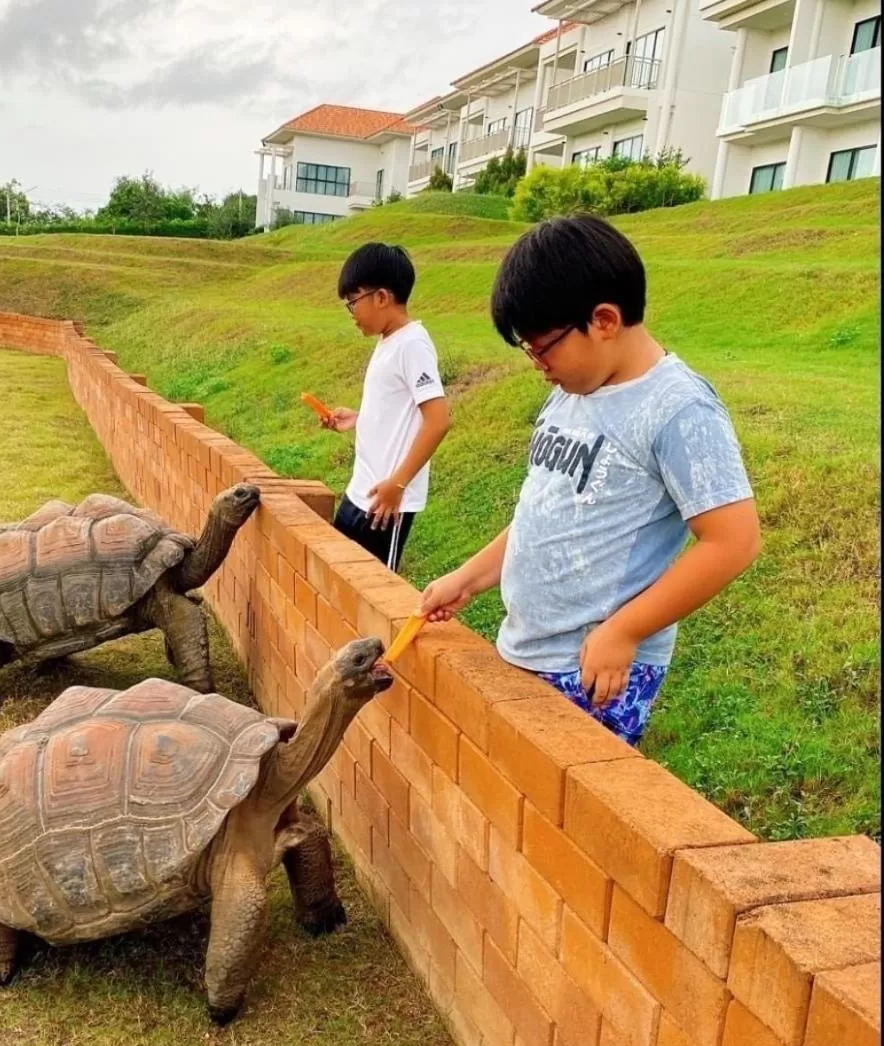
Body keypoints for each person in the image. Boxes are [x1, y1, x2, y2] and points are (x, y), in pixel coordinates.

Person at [419, 215, 761, 745]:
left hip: (593, 670)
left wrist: (623, 631)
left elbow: (734, 541)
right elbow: (546, 515)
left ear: (603, 320)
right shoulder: (570, 394)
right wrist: (467, 578)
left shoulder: (678, 409)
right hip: (527, 650)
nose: (538, 364)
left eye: (543, 347)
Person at [324, 242, 451, 570]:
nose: (351, 314)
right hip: (360, 492)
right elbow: (396, 410)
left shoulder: (413, 344)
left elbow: (438, 420)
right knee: (338, 581)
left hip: (385, 504)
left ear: (381, 297)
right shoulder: (389, 341)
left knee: (370, 590)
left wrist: (398, 484)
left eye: (353, 302)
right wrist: (358, 418)